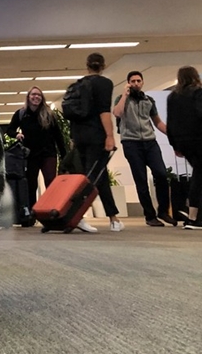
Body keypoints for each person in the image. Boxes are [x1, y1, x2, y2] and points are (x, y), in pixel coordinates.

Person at [112, 71, 175, 227]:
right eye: (132, 81)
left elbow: (158, 123)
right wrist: (125, 94)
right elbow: (117, 113)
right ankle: (150, 216)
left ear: (142, 82)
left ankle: (163, 211)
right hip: (131, 143)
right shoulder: (121, 99)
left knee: (161, 174)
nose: (136, 83)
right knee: (141, 179)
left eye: (138, 80)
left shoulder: (149, 100)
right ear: (128, 83)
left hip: (150, 142)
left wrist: (174, 134)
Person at [70, 52, 122, 232]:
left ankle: (114, 218)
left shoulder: (79, 83)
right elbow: (104, 112)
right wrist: (110, 135)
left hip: (79, 135)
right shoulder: (104, 83)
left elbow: (73, 115)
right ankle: (77, 215)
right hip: (96, 135)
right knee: (92, 178)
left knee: (99, 176)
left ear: (87, 65)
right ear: (103, 66)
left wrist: (72, 138)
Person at [6, 86, 67, 221]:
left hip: (48, 153)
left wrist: (64, 155)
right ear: (28, 97)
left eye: (39, 95)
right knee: (31, 184)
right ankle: (32, 214)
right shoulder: (21, 114)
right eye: (33, 95)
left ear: (42, 98)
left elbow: (58, 136)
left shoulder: (49, 114)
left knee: (50, 182)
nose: (36, 97)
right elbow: (9, 130)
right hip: (30, 155)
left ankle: (53, 212)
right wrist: (17, 134)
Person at [166, 66, 202, 230]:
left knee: (198, 174)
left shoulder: (173, 96)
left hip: (183, 142)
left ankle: (193, 212)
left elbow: (170, 123)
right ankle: (194, 216)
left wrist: (174, 145)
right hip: (198, 139)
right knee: (199, 176)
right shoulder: (198, 93)